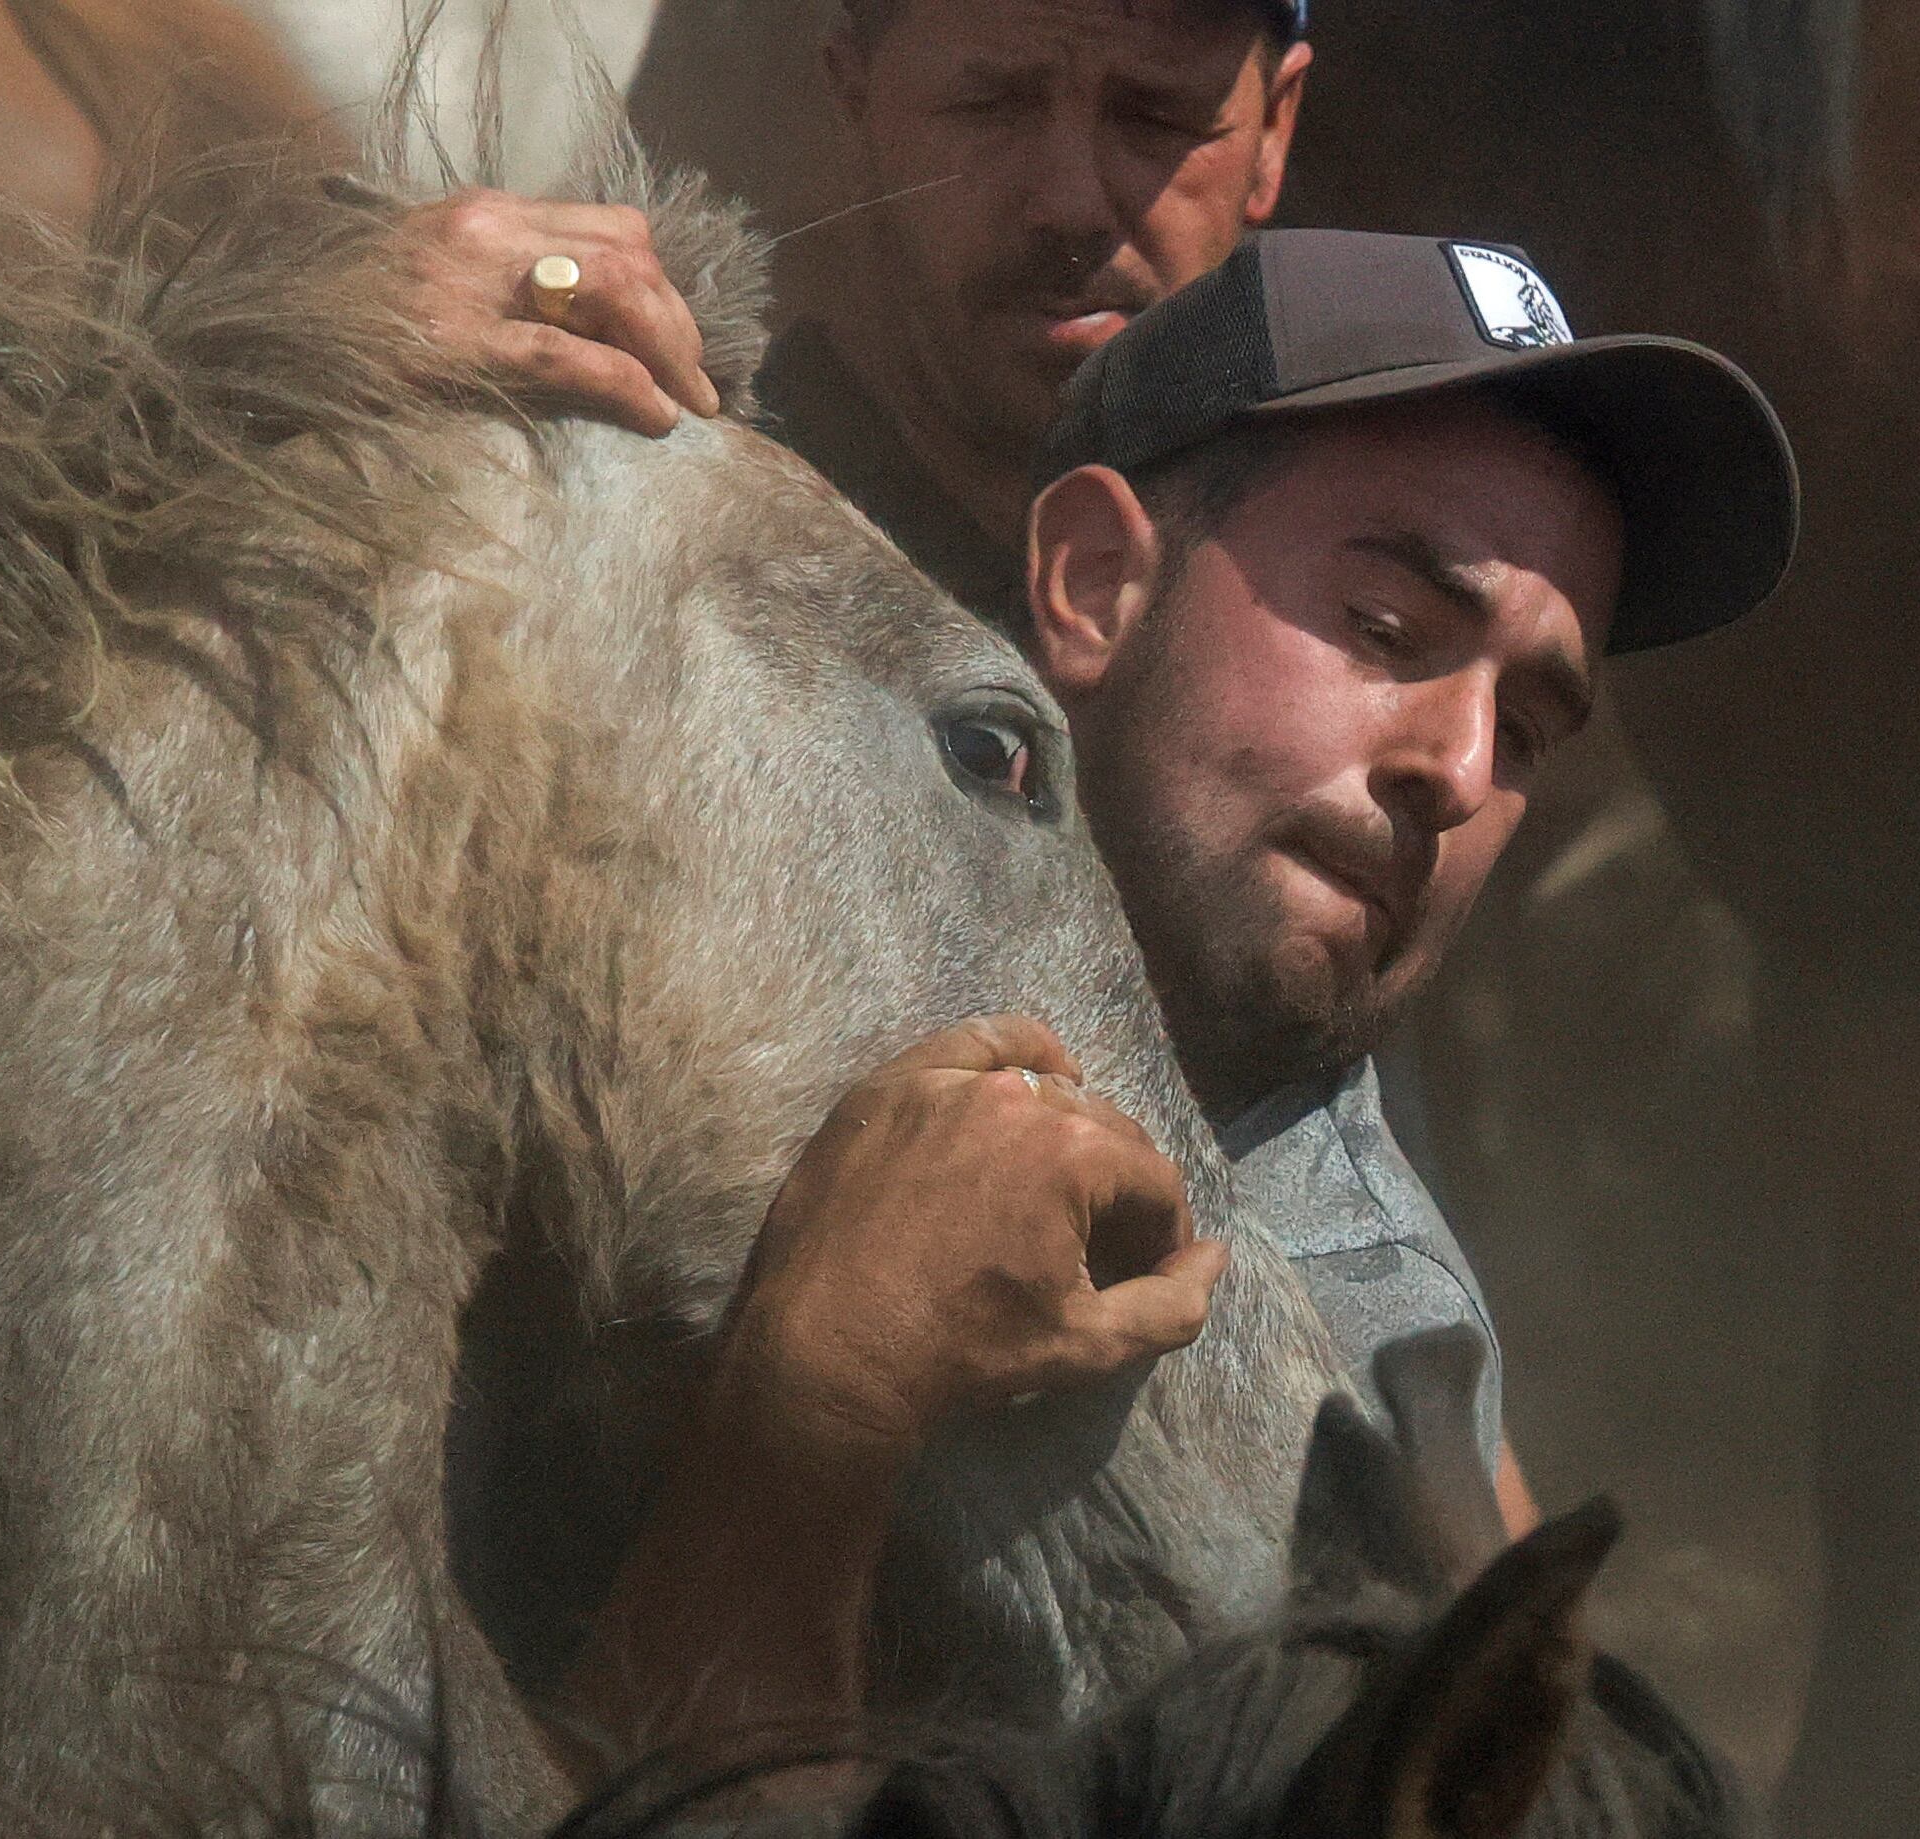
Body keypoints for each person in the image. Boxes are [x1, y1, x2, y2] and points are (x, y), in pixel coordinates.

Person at [389, 0, 1797, 1775]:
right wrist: (312, 351)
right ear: (1094, 589)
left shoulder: (1312, 1095)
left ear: (1276, 130)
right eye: (991, 92)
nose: (1455, 762)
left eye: (1153, 110)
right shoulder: (627, 578)